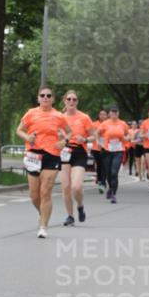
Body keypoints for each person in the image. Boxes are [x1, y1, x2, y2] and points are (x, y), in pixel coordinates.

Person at [16, 86, 70, 238]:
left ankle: (43, 226)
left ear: (53, 99)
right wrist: (27, 137)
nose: (45, 97)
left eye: (48, 95)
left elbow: (70, 132)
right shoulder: (31, 113)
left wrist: (64, 141)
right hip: (34, 155)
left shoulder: (59, 116)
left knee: (45, 191)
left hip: (52, 154)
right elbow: (19, 130)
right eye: (42, 95)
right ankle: (42, 212)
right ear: (38, 98)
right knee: (34, 195)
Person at [59, 90, 93, 225]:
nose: (71, 101)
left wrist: (84, 139)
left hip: (79, 152)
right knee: (66, 186)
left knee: (76, 186)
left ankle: (80, 206)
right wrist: (59, 137)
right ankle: (70, 216)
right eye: (69, 99)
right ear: (65, 101)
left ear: (77, 102)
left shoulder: (84, 117)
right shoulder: (59, 118)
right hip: (64, 152)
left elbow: (94, 136)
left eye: (74, 99)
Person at [95, 106, 130, 203]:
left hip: (119, 151)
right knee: (108, 174)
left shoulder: (123, 124)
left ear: (118, 113)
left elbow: (128, 134)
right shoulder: (105, 123)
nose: (114, 114)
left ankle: (113, 194)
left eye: (116, 112)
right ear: (109, 114)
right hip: (107, 150)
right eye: (112, 112)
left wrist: (127, 138)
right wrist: (98, 142)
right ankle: (111, 188)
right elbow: (97, 133)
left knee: (114, 173)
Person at [91, 109, 108, 192]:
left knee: (104, 165)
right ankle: (100, 179)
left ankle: (103, 182)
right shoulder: (94, 124)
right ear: (99, 115)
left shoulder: (109, 124)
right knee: (99, 165)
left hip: (106, 148)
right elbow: (93, 134)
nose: (102, 116)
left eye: (104, 114)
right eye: (101, 114)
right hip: (96, 148)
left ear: (107, 115)